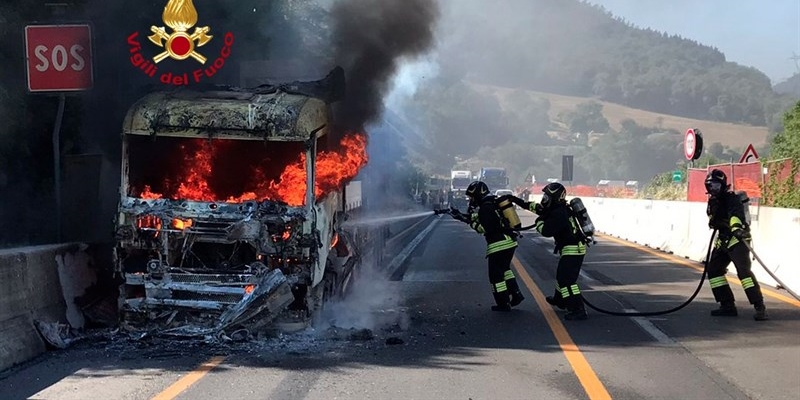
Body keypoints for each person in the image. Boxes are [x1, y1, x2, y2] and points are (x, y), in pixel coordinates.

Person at [510, 182, 588, 321]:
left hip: (573, 249)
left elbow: (546, 231)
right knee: (561, 277)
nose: (544, 199)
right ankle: (560, 300)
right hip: (570, 248)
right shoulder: (556, 208)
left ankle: (578, 309)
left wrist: (539, 221)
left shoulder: (558, 213)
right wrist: (515, 200)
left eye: (547, 196)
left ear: (554, 198)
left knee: (566, 281)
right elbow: (534, 207)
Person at [450, 181, 525, 311]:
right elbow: (483, 219)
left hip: (498, 245)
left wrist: (470, 223)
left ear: (478, 195)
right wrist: (462, 216)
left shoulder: (485, 208)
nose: (471, 200)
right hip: (509, 242)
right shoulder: (492, 203)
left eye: (472, 197)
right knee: (505, 270)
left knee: (496, 276)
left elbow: (483, 228)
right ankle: (516, 294)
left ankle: (503, 303)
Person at [704, 169, 768, 321]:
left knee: (744, 273)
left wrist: (736, 228)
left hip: (737, 240)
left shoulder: (732, 199)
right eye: (710, 186)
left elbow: (735, 215)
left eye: (716, 185)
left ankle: (759, 306)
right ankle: (727, 305)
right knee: (714, 270)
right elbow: (714, 219)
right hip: (723, 240)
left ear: (723, 185)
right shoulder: (713, 201)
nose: (713, 189)